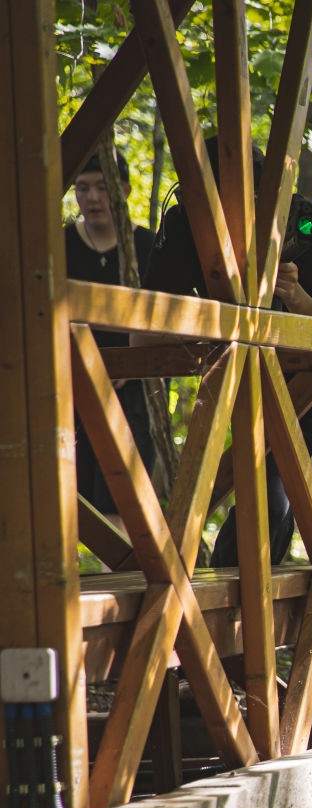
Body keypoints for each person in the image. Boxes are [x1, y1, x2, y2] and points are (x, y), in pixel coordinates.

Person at [142, 137, 312, 567]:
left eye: (252, 197)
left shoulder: (305, 223)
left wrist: (295, 296)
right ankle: (234, 591)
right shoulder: (183, 225)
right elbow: (145, 335)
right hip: (243, 375)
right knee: (267, 507)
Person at [66, 152, 157, 533]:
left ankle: (120, 568)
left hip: (130, 390)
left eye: (103, 188)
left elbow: (164, 316)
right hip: (69, 387)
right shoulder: (60, 243)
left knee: (122, 500)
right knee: (68, 496)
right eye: (82, 188)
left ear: (124, 191)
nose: (92, 198)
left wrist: (132, 361)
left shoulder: (147, 245)